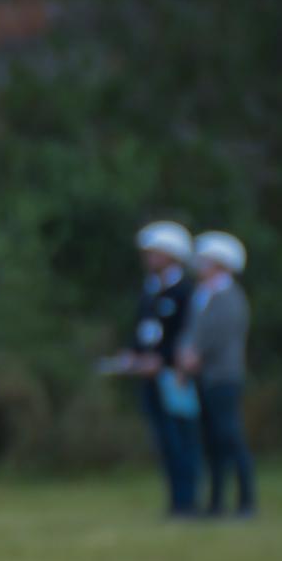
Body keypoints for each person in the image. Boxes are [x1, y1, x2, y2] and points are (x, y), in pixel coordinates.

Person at [123, 221, 203, 516]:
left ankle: (188, 502)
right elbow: (143, 330)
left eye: (154, 252)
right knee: (164, 442)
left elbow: (189, 333)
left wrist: (164, 359)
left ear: (171, 255)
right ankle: (175, 503)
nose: (148, 258)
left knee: (182, 439)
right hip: (148, 376)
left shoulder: (185, 291)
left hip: (174, 377)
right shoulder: (150, 289)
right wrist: (133, 354)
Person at [181, 231, 253, 518]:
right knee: (210, 441)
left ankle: (247, 500)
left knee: (230, 437)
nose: (199, 264)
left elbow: (220, 334)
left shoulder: (230, 296)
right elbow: (192, 331)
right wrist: (184, 354)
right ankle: (216, 502)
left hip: (223, 376)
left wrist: (196, 355)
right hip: (204, 377)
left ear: (221, 263)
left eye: (205, 260)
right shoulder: (203, 294)